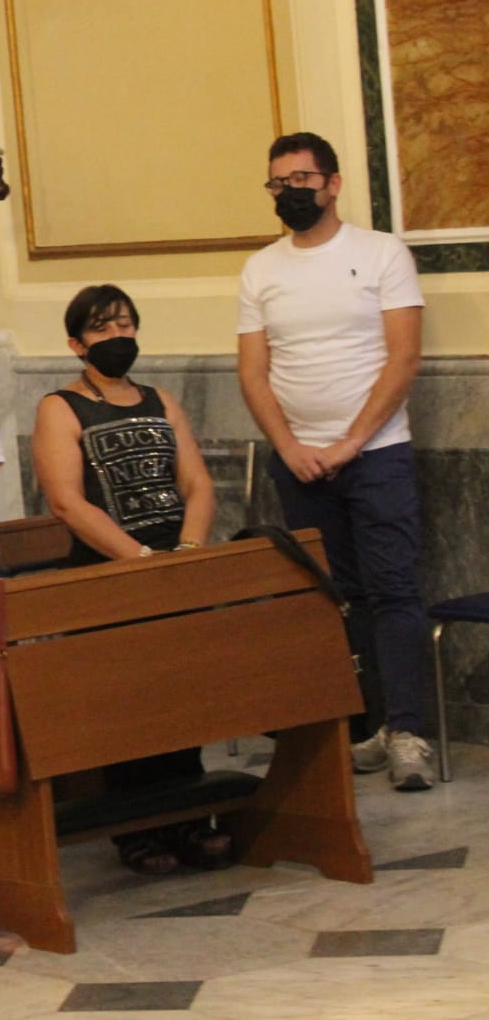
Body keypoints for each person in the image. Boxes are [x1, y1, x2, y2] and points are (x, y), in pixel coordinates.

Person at [237, 131, 432, 791]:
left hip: (376, 455)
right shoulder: (261, 269)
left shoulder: (381, 253)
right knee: (336, 598)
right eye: (278, 183)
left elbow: (403, 358)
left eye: (302, 180)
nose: (289, 192)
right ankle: (368, 726)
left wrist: (349, 443)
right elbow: (253, 371)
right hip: (299, 464)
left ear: (333, 183)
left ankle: (408, 731)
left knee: (393, 590)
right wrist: (289, 446)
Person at [32, 284, 226, 874]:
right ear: (77, 344)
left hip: (174, 569)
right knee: (129, 706)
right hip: (107, 574)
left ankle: (189, 815)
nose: (117, 336)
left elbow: (196, 483)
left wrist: (186, 551)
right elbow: (66, 501)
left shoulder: (160, 400)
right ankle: (136, 828)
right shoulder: (60, 408)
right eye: (102, 328)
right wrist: (138, 559)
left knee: (183, 698)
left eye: (124, 325)